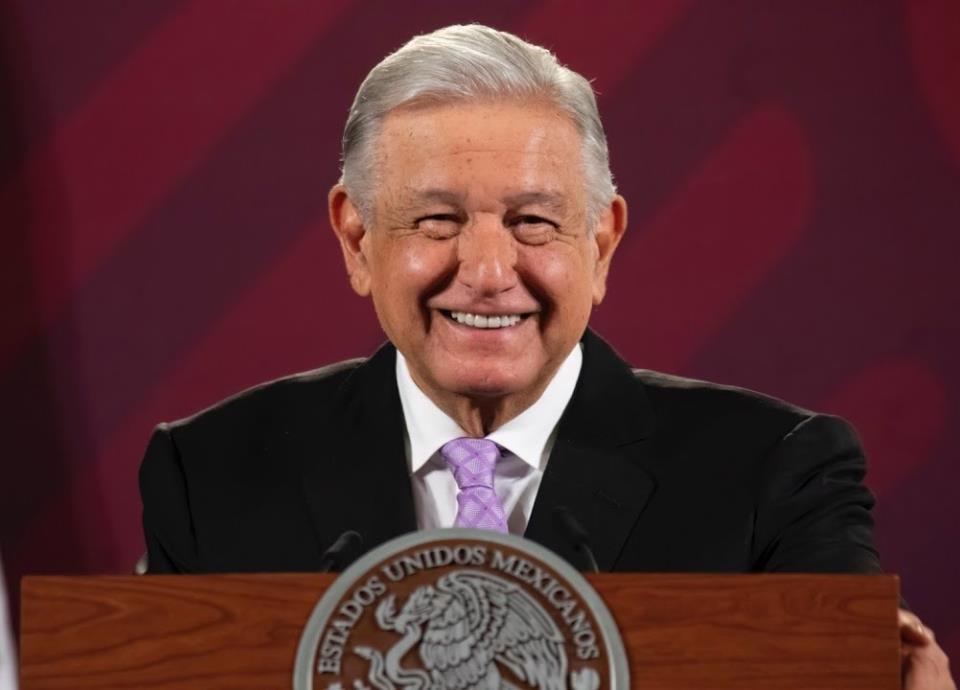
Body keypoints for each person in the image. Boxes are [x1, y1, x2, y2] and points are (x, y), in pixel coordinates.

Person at [139, 24, 952, 687]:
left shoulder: (776, 473)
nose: (490, 273)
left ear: (600, 243)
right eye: (437, 221)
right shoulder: (209, 474)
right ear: (357, 238)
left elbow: (850, 663)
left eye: (533, 222)